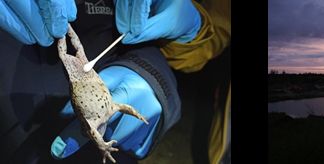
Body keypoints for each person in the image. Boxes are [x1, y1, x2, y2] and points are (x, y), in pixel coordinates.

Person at [0, 0, 218, 162]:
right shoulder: (104, 117)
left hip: (90, 77)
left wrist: (151, 74)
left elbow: (116, 115)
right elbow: (120, 112)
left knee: (72, 47)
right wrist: (106, 145)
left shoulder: (100, 121)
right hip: (66, 82)